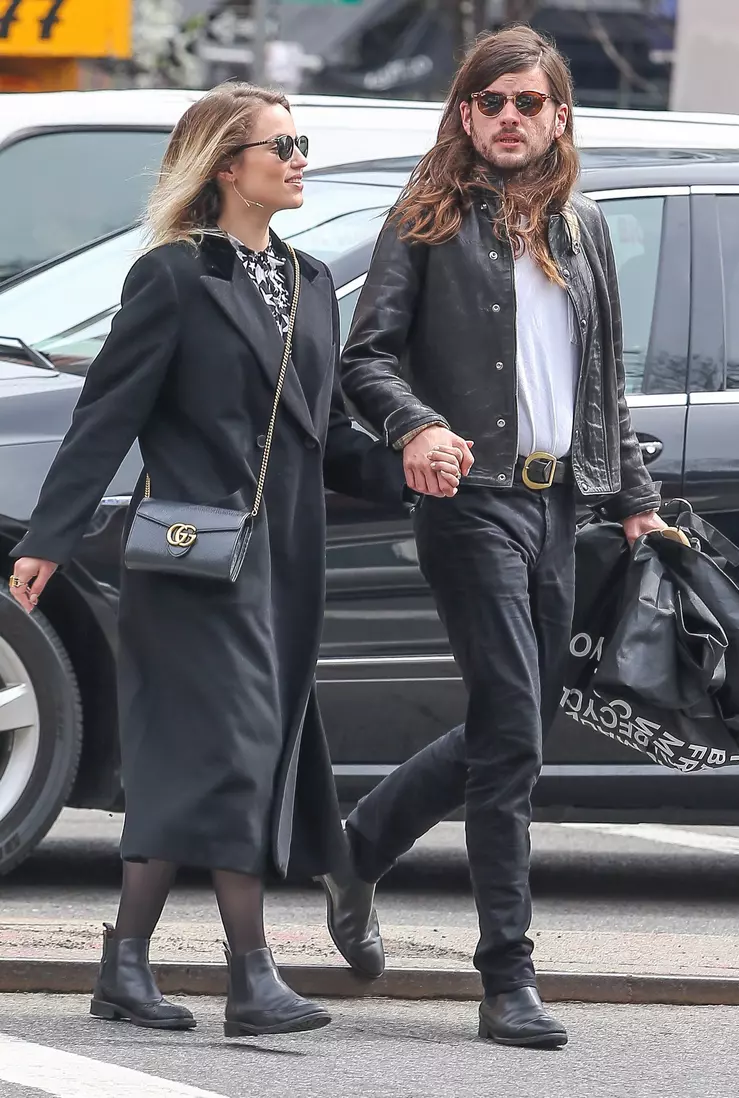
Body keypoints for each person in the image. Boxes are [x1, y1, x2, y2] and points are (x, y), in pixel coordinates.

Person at [7, 81, 464, 1038]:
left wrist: (414, 470)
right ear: (227, 166)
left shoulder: (303, 283)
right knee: (235, 757)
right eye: (279, 143)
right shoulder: (174, 276)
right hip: (193, 563)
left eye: (301, 141)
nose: (299, 156)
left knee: (205, 762)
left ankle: (124, 968)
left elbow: (323, 438)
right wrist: (48, 540)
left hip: (285, 565)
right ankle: (252, 978)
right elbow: (107, 416)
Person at [331, 26, 667, 1048]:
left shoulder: (583, 223)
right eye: (493, 102)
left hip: (561, 501)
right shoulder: (425, 219)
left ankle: (361, 841)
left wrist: (635, 497)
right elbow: (366, 357)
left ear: (559, 115)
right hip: (469, 498)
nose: (511, 117)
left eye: (530, 101)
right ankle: (505, 976)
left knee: (520, 714)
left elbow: (602, 379)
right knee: (514, 729)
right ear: (466, 116)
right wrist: (417, 426)